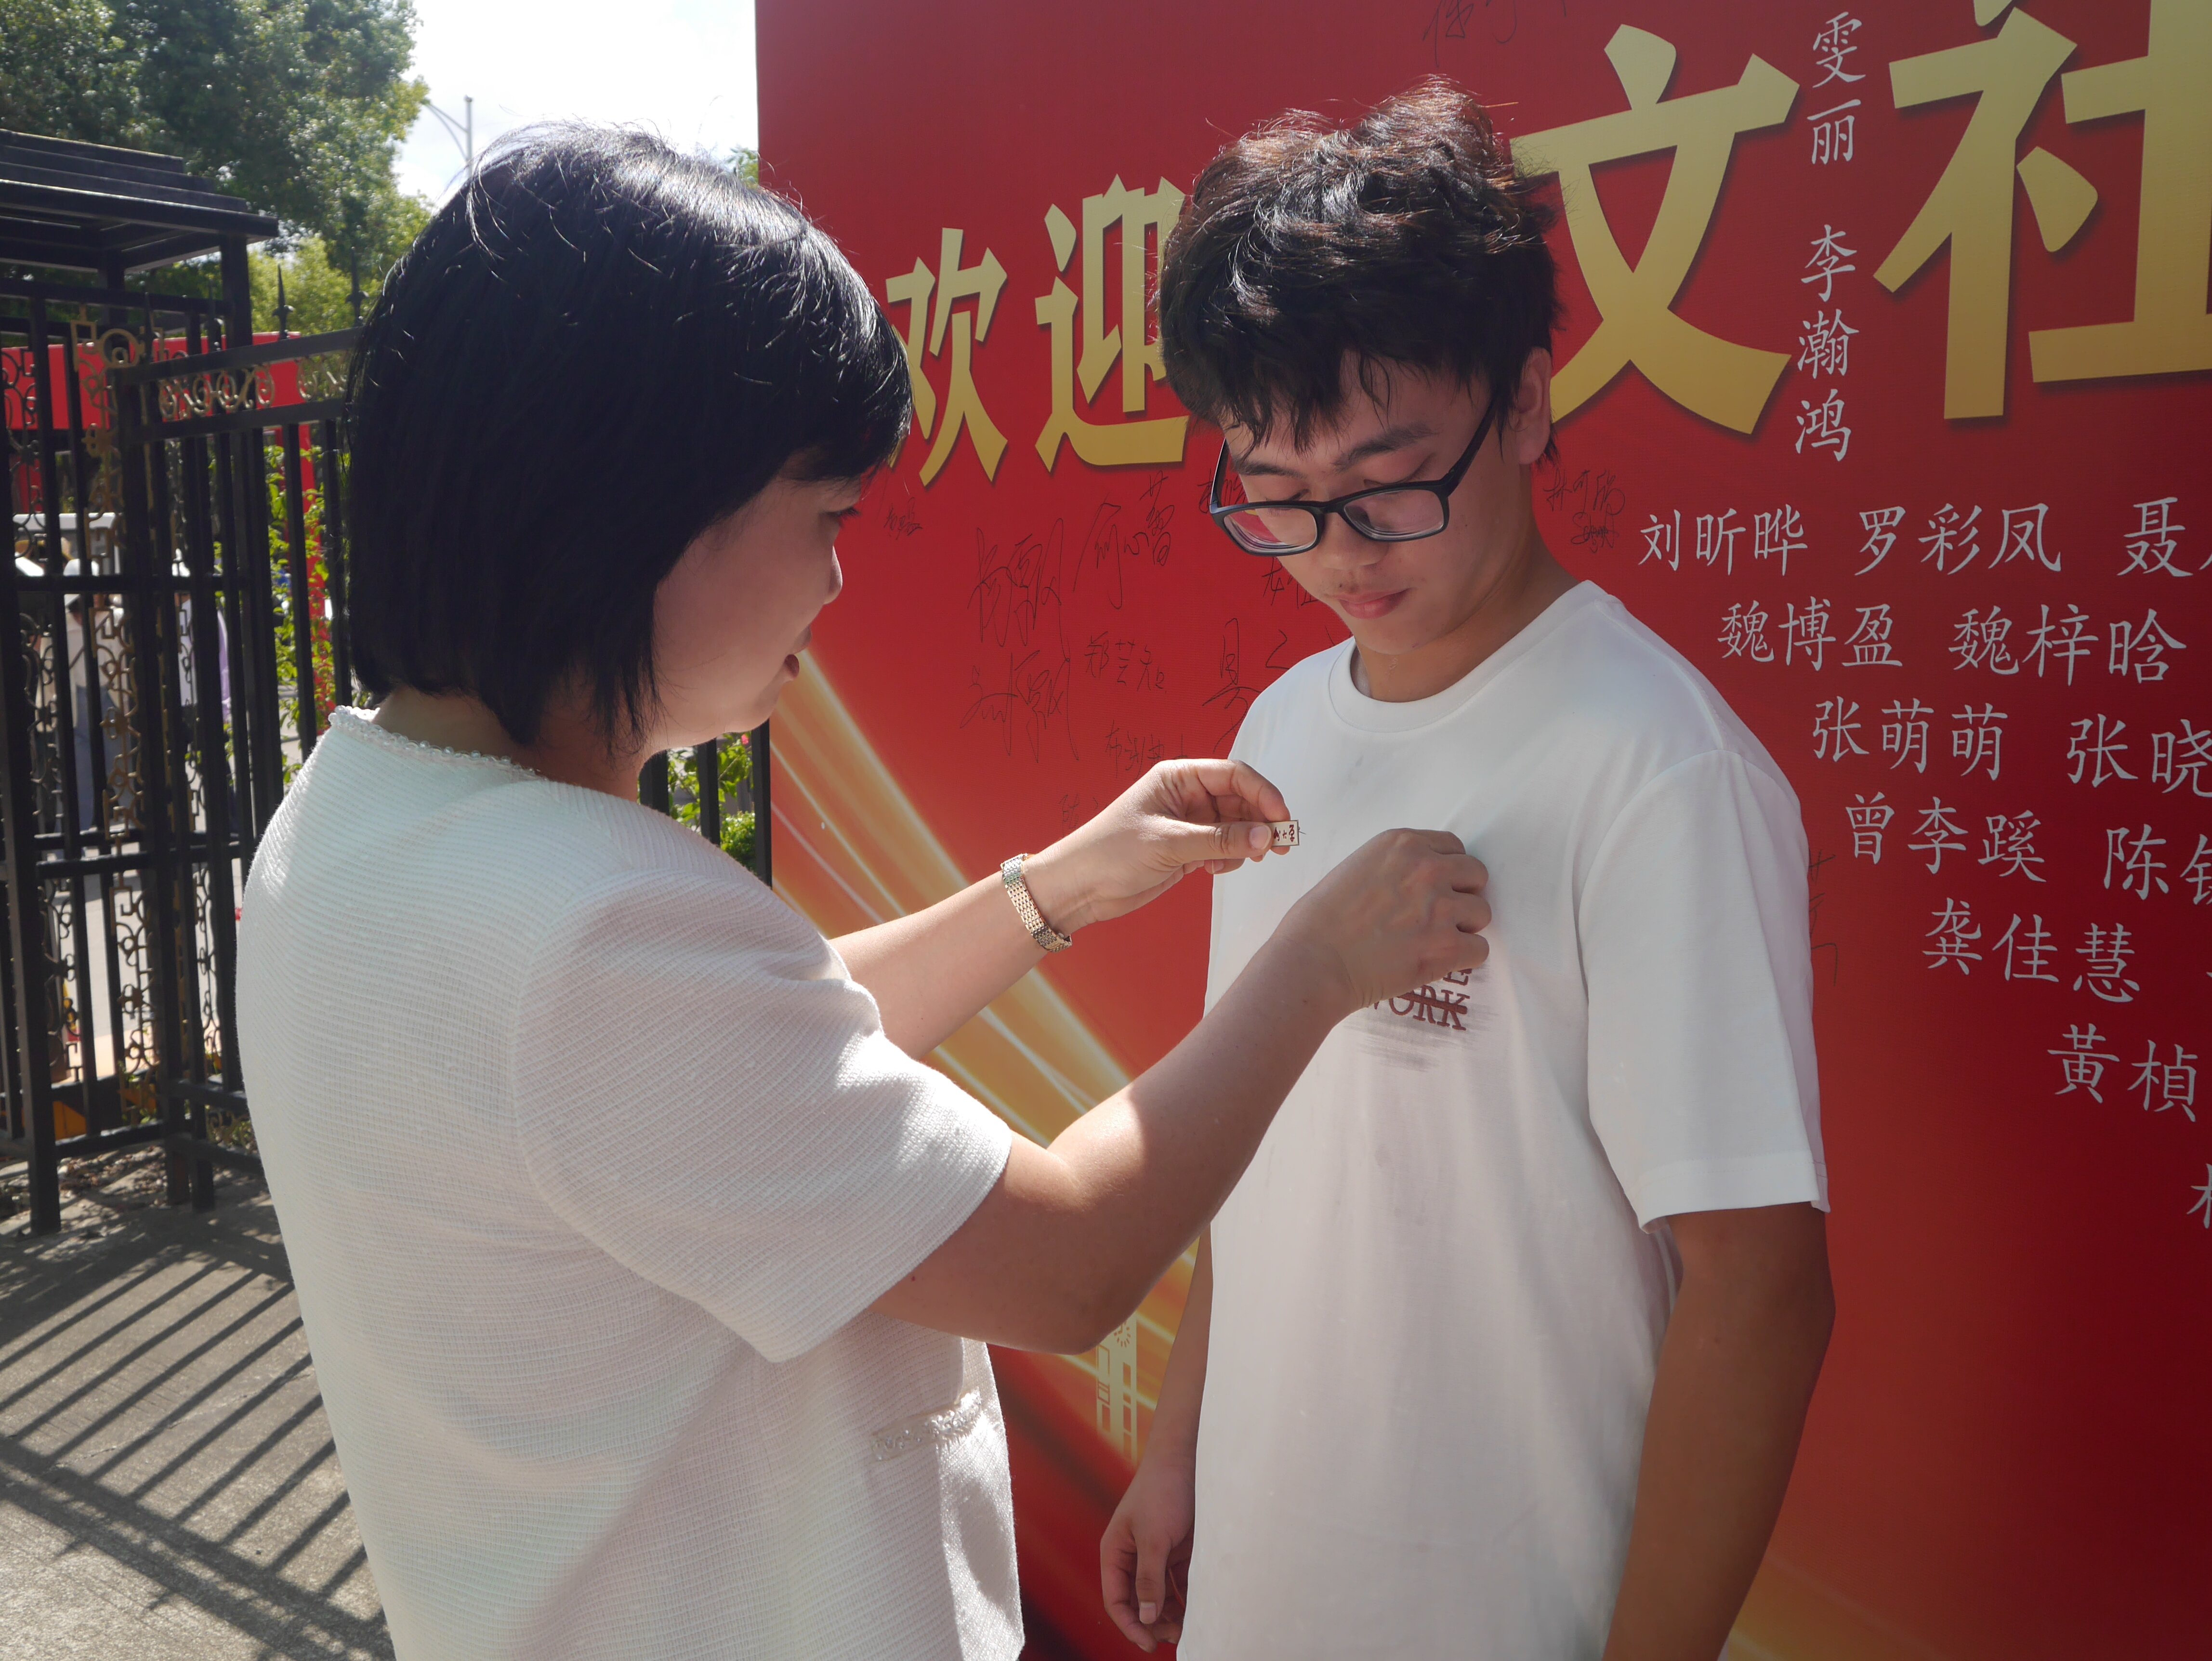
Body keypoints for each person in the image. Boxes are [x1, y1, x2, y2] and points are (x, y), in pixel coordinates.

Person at [233, 127, 1490, 1661]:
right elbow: (1068, 1262)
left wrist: (1057, 888)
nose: (838, 582)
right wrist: (1316, 965)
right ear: (638, 504)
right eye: (827, 517)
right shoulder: (587, 934)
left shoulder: (358, 825)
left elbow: (726, 1072)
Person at [1100, 81, 1834, 1660]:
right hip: (1265, 1577)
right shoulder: (1282, 725)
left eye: (1391, 479)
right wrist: (1179, 1448)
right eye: (1279, 496)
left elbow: (1763, 1290)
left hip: (1509, 1601)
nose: (1342, 549)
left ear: (1527, 404)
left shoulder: (1656, 767)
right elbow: (1262, 1135)